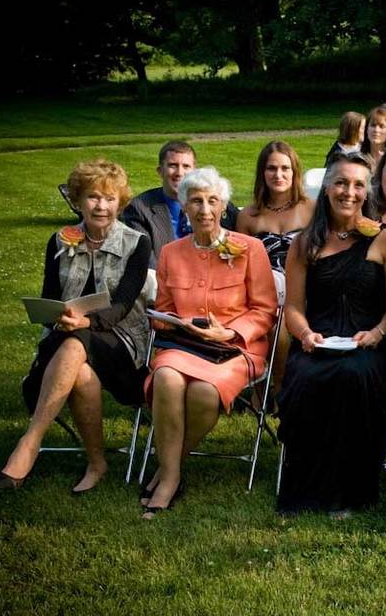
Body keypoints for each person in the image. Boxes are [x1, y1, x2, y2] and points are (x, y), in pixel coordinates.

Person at [0, 160, 151, 493]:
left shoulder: (136, 243)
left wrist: (86, 322)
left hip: (119, 344)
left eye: (110, 199)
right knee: (79, 369)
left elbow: (124, 303)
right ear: (78, 201)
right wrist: (57, 316)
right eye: (94, 197)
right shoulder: (59, 241)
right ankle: (96, 463)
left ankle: (31, 440)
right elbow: (49, 296)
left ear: (120, 202)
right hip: (65, 337)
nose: (102, 206)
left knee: (77, 342)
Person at [141, 167, 277, 518]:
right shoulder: (171, 253)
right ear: (184, 207)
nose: (204, 210)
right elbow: (165, 311)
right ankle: (171, 476)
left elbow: (265, 310)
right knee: (167, 378)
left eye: (212, 201)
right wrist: (166, 319)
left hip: (236, 347)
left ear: (223, 207)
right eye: (196, 201)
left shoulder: (249, 248)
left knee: (203, 392)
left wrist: (229, 333)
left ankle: (169, 468)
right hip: (185, 346)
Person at [276, 153, 386, 516]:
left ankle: (350, 491)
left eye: (358, 184)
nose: (349, 191)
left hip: (367, 343)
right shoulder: (304, 243)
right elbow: (292, 308)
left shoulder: (383, 239)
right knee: (306, 378)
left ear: (367, 192)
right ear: (326, 189)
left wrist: (377, 333)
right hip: (319, 341)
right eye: (341, 183)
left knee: (353, 376)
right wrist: (306, 334)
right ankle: (309, 489)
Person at [236, 141, 316, 391]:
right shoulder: (248, 216)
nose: (278, 175)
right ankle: (274, 387)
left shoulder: (311, 209)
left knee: (283, 325)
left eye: (285, 168)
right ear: (262, 173)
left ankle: (281, 387)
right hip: (263, 294)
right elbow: (241, 266)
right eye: (271, 168)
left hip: (305, 289)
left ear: (295, 172)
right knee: (277, 330)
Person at [122, 141, 238, 268]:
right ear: (160, 171)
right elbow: (146, 262)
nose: (179, 173)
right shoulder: (140, 209)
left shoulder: (218, 204)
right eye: (173, 165)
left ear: (195, 170)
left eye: (186, 166)